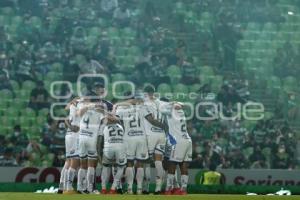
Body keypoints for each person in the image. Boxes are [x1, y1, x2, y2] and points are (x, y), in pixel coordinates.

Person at [115, 99, 148, 194]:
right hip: (141, 137)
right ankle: (139, 189)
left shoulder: (121, 109)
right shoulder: (141, 107)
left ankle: (129, 189)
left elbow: (116, 121)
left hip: (129, 137)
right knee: (140, 163)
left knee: (129, 163)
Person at [161, 100, 192, 195]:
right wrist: (178, 103)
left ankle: (168, 189)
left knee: (172, 164)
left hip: (177, 140)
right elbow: (182, 104)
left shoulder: (171, 110)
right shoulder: (181, 111)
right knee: (184, 166)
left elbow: (161, 109)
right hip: (187, 140)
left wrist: (170, 104)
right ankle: (183, 190)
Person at [142, 85, 167, 194]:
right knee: (158, 161)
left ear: (145, 93)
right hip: (161, 135)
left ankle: (145, 188)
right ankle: (158, 188)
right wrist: (165, 127)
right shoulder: (161, 103)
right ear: (154, 91)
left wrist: (162, 126)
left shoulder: (144, 103)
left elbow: (151, 120)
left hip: (150, 134)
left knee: (146, 162)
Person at [99, 122, 126, 194]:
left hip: (108, 147)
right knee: (121, 167)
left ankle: (103, 189)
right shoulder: (121, 126)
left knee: (105, 166)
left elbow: (100, 140)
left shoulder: (104, 126)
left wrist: (100, 153)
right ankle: (113, 189)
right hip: (120, 147)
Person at [62, 97, 81, 194]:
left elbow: (66, 116)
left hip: (69, 134)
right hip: (75, 135)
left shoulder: (72, 105)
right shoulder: (81, 103)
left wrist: (69, 126)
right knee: (74, 161)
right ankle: (68, 187)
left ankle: (64, 187)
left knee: (68, 162)